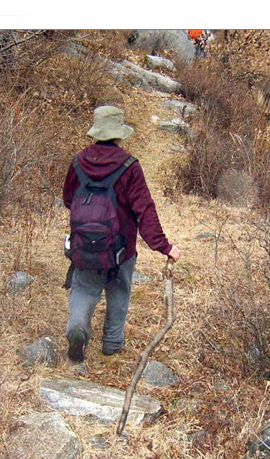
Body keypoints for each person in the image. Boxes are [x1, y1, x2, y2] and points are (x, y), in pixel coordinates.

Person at [62, 105, 182, 363]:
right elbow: (144, 210)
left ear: (96, 131)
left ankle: (78, 329)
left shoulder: (78, 161)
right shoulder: (129, 166)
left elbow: (69, 200)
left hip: (84, 245)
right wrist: (164, 246)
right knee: (119, 290)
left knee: (84, 289)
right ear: (119, 134)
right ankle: (112, 343)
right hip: (121, 249)